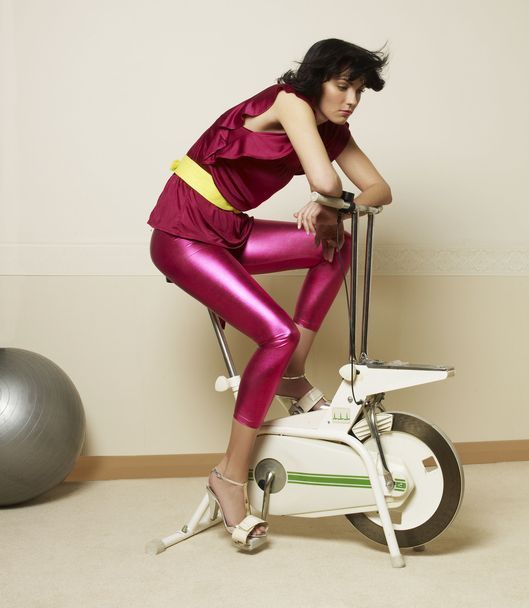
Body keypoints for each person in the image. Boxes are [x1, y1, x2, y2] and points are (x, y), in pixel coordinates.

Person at [147, 39, 391, 549]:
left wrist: (332, 210)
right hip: (184, 235)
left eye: (360, 90)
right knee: (275, 333)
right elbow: (325, 178)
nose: (351, 99)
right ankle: (228, 479)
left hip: (230, 232)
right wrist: (327, 197)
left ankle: (293, 374)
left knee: (333, 245)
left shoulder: (333, 128)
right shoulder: (289, 101)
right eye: (342, 85)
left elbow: (379, 190)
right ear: (316, 78)